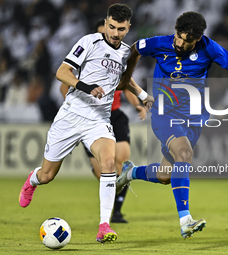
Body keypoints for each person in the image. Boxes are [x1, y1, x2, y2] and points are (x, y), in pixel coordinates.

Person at [116, 11, 228, 239]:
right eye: (179, 37)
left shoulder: (210, 48)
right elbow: (135, 48)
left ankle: (130, 172)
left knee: (166, 175)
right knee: (184, 153)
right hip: (164, 113)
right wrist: (126, 78)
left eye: (187, 41)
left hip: (193, 119)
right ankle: (185, 221)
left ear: (197, 39)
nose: (181, 43)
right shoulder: (159, 43)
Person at [18, 3, 150, 243]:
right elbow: (62, 72)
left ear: (128, 27)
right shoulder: (88, 41)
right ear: (106, 21)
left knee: (109, 163)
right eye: (111, 27)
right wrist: (87, 87)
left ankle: (104, 226)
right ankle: (32, 180)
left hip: (98, 119)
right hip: (71, 114)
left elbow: (125, 81)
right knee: (48, 175)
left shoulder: (125, 53)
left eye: (121, 29)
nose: (115, 33)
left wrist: (143, 97)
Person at [60, 19, 147, 223]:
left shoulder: (119, 56)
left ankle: (116, 212)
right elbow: (64, 85)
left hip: (114, 113)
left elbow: (126, 85)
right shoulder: (86, 55)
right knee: (103, 174)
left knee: (122, 161)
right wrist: (73, 105)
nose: (112, 36)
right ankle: (109, 198)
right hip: (90, 116)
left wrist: (137, 104)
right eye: (107, 31)